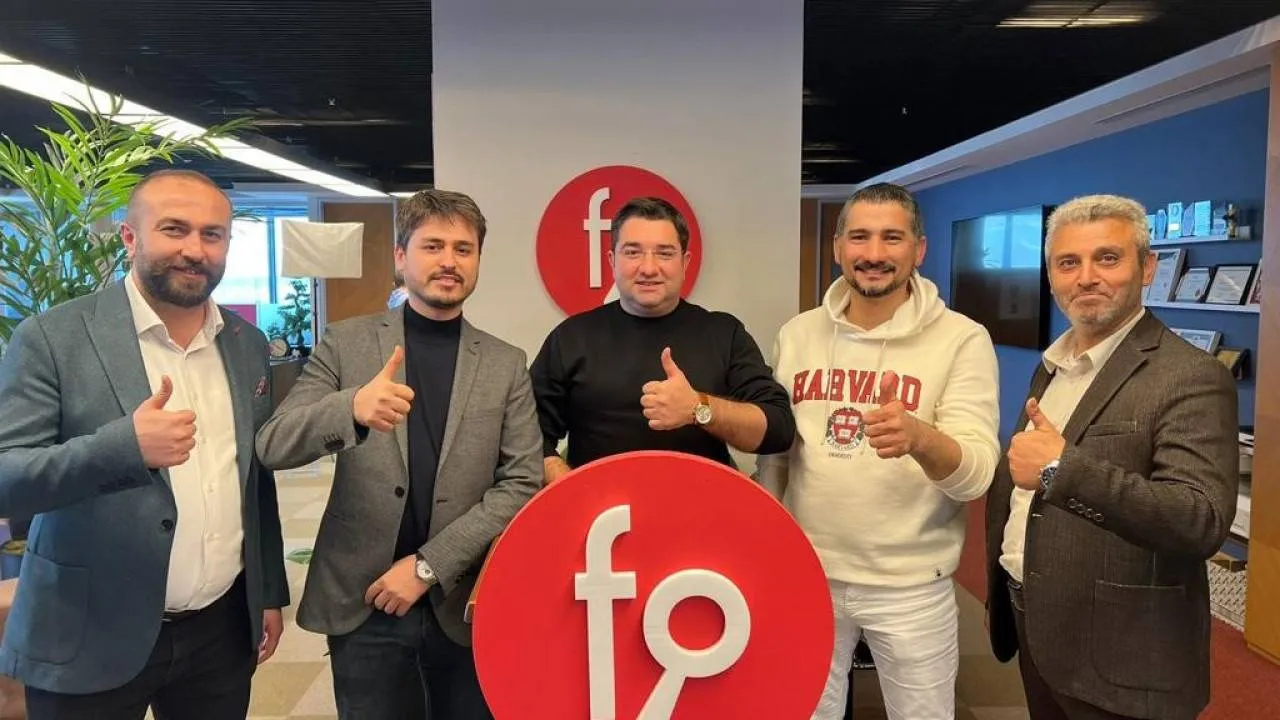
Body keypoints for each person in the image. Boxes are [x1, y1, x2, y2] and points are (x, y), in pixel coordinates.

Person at [0, 169, 289, 719]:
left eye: (212, 234)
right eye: (174, 229)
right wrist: (122, 448)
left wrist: (266, 591)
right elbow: (6, 478)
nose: (194, 250)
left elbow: (253, 481)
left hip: (220, 629)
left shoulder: (246, 343)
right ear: (130, 238)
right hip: (89, 630)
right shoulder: (53, 337)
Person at [255, 188, 542, 720]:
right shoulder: (345, 344)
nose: (449, 261)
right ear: (400, 256)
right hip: (363, 599)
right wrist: (351, 409)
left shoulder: (506, 363)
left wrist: (429, 566)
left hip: (465, 599)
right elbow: (274, 443)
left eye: (463, 249)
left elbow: (522, 480)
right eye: (433, 246)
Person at [985, 194, 1238, 720]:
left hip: (1123, 656)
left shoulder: (1190, 375)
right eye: (1068, 263)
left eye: (1107, 258)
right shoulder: (1053, 364)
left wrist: (1061, 468)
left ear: (1147, 267)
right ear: (1051, 276)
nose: (1086, 278)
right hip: (1039, 627)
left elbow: (1200, 519)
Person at [756, 182, 1001, 720]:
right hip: (808, 573)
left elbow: (977, 476)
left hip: (911, 585)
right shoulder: (797, 334)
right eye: (859, 237)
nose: (873, 253)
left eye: (892, 238)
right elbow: (777, 457)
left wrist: (920, 438)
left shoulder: (962, 339)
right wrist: (771, 547)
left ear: (919, 249)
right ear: (837, 246)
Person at [529, 196, 795, 483]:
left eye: (664, 253)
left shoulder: (723, 333)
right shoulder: (571, 338)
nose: (648, 268)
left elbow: (777, 430)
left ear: (685, 262)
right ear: (612, 260)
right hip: (600, 509)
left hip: (701, 507)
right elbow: (526, 437)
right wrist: (572, 488)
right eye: (633, 252)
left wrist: (698, 407)